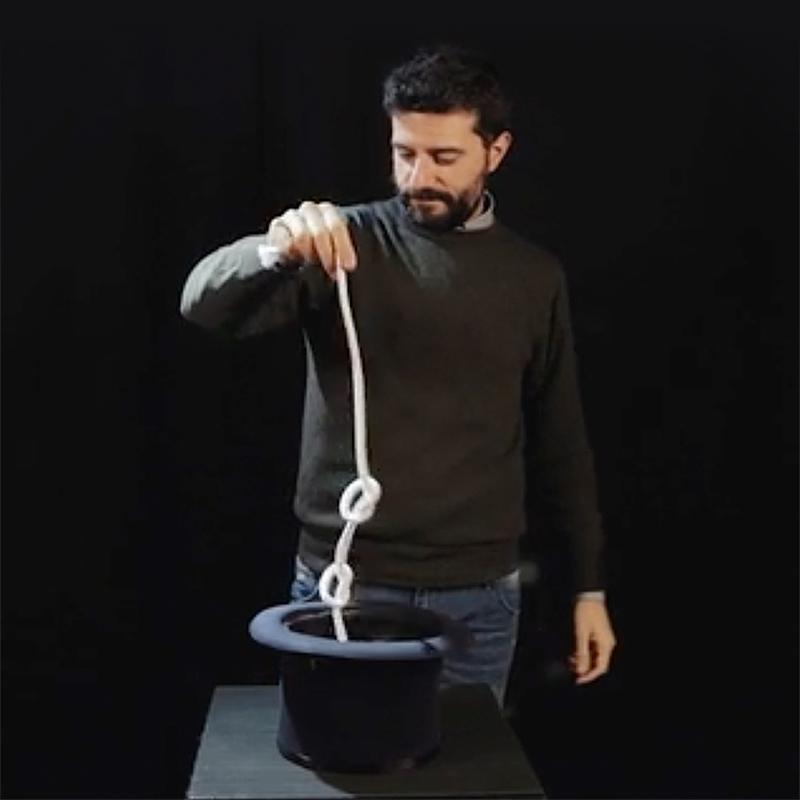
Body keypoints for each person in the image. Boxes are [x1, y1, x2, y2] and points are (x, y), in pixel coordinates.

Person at [180, 44, 616, 705]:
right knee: (333, 758)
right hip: (345, 584)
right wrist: (273, 249)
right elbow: (201, 304)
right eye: (404, 153)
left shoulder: (534, 278)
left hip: (480, 597)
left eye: (444, 157)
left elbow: (563, 442)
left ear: (495, 151)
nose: (418, 177)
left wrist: (588, 588)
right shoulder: (340, 244)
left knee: (466, 762)